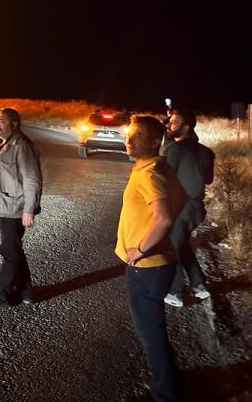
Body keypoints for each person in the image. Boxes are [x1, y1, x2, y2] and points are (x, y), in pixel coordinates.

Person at [116, 115, 187, 402]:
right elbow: (181, 197)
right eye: (128, 135)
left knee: (151, 333)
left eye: (137, 136)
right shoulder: (155, 167)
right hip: (155, 264)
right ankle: (169, 380)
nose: (129, 140)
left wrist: (142, 248)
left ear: (156, 142)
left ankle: (164, 394)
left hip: (147, 266)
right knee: (154, 329)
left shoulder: (149, 173)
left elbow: (165, 217)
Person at [0, 108, 42, 308]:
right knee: (13, 249)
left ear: (15, 125)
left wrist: (28, 210)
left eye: (2, 121)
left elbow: (32, 179)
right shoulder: (4, 145)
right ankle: (26, 292)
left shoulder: (22, 145)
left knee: (8, 249)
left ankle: (2, 294)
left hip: (15, 206)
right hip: (6, 205)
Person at [162, 108, 215, 307]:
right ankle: (200, 285)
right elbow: (208, 180)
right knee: (181, 244)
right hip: (196, 209)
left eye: (174, 122)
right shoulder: (206, 152)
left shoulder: (174, 150)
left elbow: (165, 179)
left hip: (180, 206)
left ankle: (175, 291)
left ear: (187, 127)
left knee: (172, 246)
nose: (169, 125)